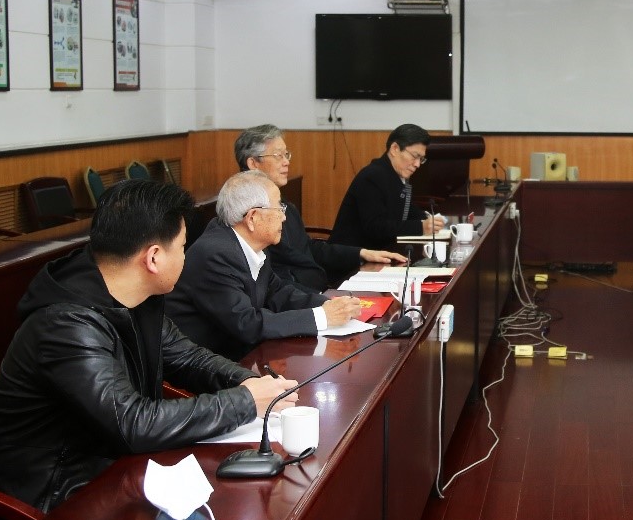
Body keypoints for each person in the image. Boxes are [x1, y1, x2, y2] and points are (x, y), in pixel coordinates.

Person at [0, 180, 298, 512]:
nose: (185, 256)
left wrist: (250, 383)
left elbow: (187, 357)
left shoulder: (132, 292)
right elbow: (133, 423)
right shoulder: (67, 324)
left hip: (114, 465)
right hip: (59, 494)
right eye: (182, 247)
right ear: (153, 258)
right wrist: (244, 402)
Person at [167, 171, 361, 360]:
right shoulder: (215, 255)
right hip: (203, 364)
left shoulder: (251, 244)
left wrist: (327, 304)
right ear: (253, 218)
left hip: (239, 354)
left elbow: (278, 292)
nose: (284, 217)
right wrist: (321, 317)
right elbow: (247, 324)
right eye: (279, 208)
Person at [235, 124, 406, 292]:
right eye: (278, 155)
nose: (286, 162)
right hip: (296, 297)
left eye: (286, 155)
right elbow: (272, 278)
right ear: (253, 163)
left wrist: (361, 253)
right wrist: (321, 301)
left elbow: (307, 247)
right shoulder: (248, 213)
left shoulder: (286, 206)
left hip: (316, 290)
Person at [329, 123, 445, 248]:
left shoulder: (397, 175)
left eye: (421, 159)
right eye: (415, 156)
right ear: (395, 149)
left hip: (379, 251)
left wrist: (429, 219)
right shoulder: (372, 176)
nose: (417, 164)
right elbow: (375, 227)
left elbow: (408, 211)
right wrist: (421, 227)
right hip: (351, 254)